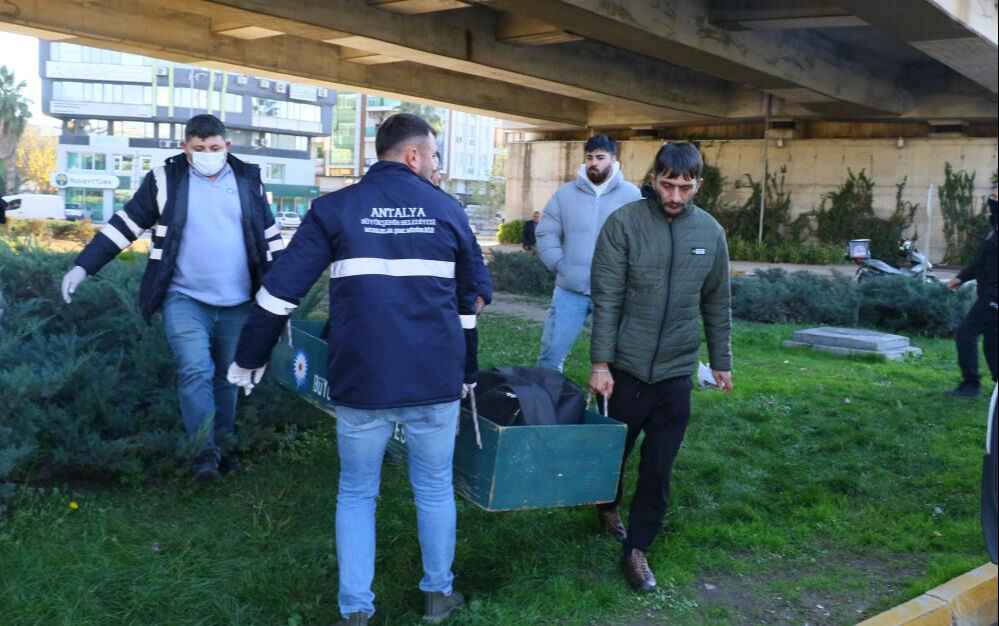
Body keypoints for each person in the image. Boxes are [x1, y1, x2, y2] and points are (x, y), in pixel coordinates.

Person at [227, 113, 478, 625]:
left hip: (363, 381)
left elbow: (279, 293)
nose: (436, 165)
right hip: (435, 380)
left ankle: (356, 611)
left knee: (357, 493)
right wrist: (468, 371)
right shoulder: (448, 210)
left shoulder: (334, 209)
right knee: (432, 487)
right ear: (413, 155)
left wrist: (249, 356)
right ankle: (437, 596)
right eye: (433, 155)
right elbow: (469, 303)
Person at [59, 114, 284, 481]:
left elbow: (271, 239)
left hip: (239, 302)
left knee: (229, 376)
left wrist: (281, 293)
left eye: (215, 148)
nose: (208, 154)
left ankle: (224, 445)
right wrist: (83, 266)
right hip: (184, 298)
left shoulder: (248, 179)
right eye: (199, 148)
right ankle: (203, 454)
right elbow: (125, 224)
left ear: (227, 145)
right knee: (195, 370)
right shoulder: (165, 179)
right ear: (185, 147)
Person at [589, 142, 732, 593]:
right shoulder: (624, 224)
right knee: (613, 455)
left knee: (658, 465)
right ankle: (604, 506)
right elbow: (606, 299)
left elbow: (717, 301)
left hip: (675, 372)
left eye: (684, 187)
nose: (674, 195)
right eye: (667, 184)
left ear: (698, 186)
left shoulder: (710, 233)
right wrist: (600, 363)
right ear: (653, 179)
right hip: (623, 370)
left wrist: (722, 362)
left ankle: (637, 548)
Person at [535, 134, 641, 371]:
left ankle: (608, 408)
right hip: (569, 291)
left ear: (614, 160)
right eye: (590, 157)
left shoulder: (632, 196)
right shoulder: (565, 194)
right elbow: (546, 232)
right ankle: (547, 404)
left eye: (600, 157)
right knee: (550, 356)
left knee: (616, 361)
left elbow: (642, 241)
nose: (594, 163)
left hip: (612, 294)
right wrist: (560, 264)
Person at [947, 183, 998, 397]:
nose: (992, 200)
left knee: (966, 332)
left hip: (994, 296)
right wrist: (961, 277)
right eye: (992, 195)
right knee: (993, 341)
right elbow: (982, 261)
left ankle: (970, 384)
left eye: (996, 196)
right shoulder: (994, 230)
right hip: (989, 293)